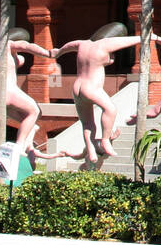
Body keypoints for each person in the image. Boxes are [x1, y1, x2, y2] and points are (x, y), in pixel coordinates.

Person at [53, 24, 150, 165]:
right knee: (110, 109)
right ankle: (105, 140)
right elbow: (132, 40)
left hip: (77, 87)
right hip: (91, 87)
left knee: (87, 123)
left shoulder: (82, 43)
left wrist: (56, 53)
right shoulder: (105, 44)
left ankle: (91, 150)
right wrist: (152, 37)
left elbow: (66, 47)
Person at [0, 28, 55, 167]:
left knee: (30, 123)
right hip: (7, 90)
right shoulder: (8, 45)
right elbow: (28, 47)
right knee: (35, 111)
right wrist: (48, 53)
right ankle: (18, 147)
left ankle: (30, 152)